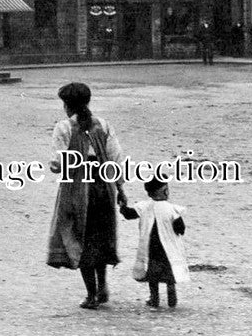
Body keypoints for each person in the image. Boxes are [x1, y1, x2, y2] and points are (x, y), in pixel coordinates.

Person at [47, 82, 126, 310]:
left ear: (67, 105)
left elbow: (57, 163)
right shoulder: (103, 125)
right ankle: (102, 287)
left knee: (79, 238)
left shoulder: (64, 128)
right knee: (99, 239)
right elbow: (116, 160)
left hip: (77, 190)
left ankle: (91, 294)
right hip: (102, 187)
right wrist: (120, 190)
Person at [120, 178, 188, 308]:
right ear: (165, 191)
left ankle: (154, 298)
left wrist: (123, 206)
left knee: (153, 274)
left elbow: (129, 214)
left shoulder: (144, 206)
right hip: (167, 249)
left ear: (149, 193)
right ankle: (172, 299)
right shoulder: (172, 209)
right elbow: (181, 229)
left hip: (150, 247)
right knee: (169, 275)